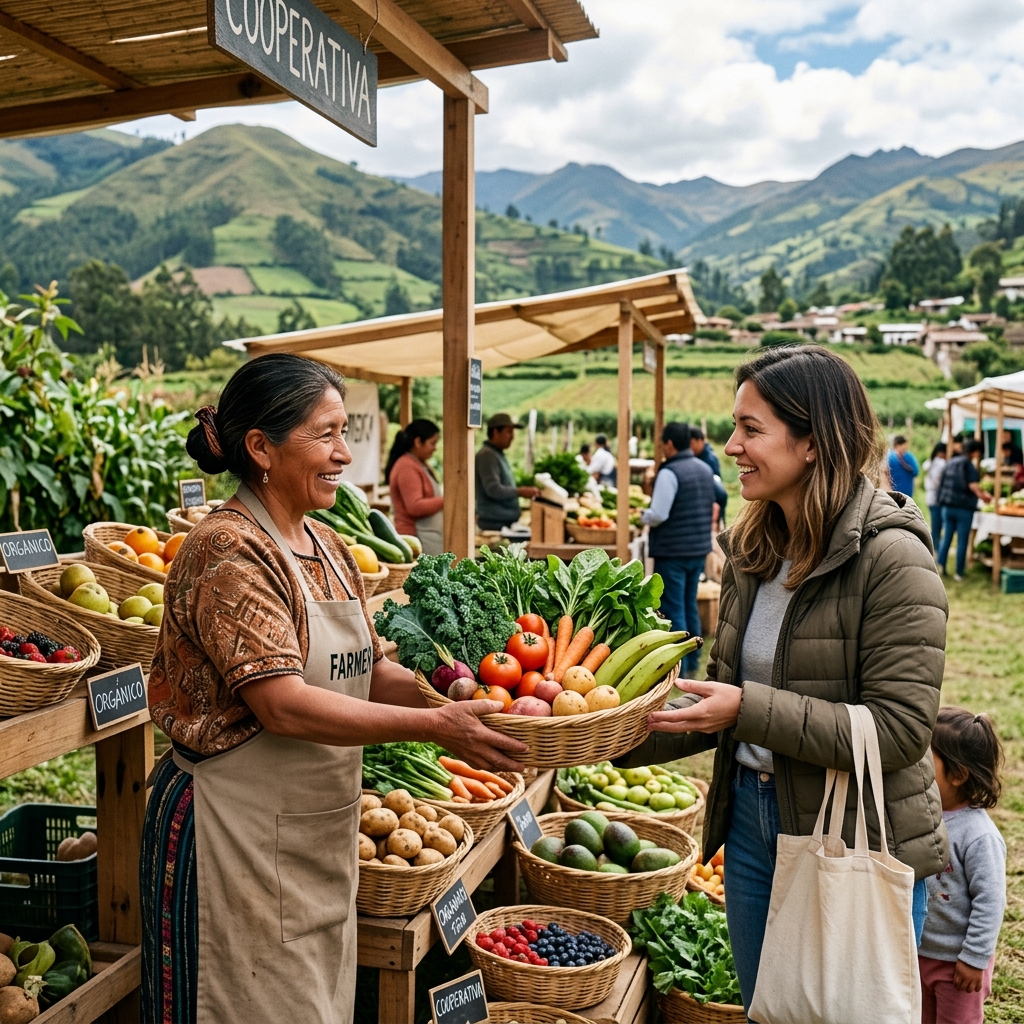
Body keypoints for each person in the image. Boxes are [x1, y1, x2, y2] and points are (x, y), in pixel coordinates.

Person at [141, 355, 526, 1024]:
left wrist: (459, 701)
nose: (345, 454)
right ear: (261, 447)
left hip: (312, 834)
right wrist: (437, 729)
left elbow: (370, 669)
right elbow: (282, 703)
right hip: (233, 835)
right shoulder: (229, 549)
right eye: (326, 435)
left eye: (345, 432)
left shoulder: (329, 545)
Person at [621, 345, 948, 1015]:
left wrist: (747, 710)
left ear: (811, 441)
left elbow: (901, 730)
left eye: (751, 429)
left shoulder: (892, 557)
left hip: (855, 835)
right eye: (733, 427)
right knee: (768, 1008)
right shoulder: (753, 551)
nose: (731, 446)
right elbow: (716, 694)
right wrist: (599, 735)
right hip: (749, 824)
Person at [919, 707, 1006, 1024]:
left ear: (958, 775)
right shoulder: (921, 815)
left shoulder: (979, 837)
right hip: (918, 954)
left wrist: (974, 958)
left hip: (958, 964)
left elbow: (991, 901)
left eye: (926, 763)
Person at [641, 421, 716, 676]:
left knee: (674, 607)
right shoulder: (705, 469)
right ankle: (694, 661)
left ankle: (680, 668)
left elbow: (659, 513)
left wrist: (643, 515)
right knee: (689, 603)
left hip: (673, 550)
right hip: (697, 548)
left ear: (669, 444)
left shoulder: (669, 472)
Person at [385, 419, 444, 555]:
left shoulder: (418, 463)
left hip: (426, 539)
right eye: (433, 443)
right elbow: (414, 506)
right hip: (416, 539)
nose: (436, 448)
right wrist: (447, 500)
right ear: (418, 442)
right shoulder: (406, 466)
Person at [475, 413, 540, 531]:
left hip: (503, 522)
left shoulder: (496, 453)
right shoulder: (487, 455)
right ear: (495, 432)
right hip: (493, 523)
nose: (512, 436)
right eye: (509, 432)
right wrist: (520, 491)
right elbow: (493, 489)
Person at [937, 438, 985, 581]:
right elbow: (973, 486)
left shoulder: (950, 462)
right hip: (963, 508)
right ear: (975, 452)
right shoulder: (968, 465)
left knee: (947, 537)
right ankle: (959, 573)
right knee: (962, 540)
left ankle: (940, 566)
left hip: (947, 506)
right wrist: (983, 496)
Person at [690, 425, 728, 526]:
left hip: (716, 496)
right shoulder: (699, 456)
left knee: (717, 524)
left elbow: (715, 479)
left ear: (699, 441)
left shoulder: (709, 458)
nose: (690, 447)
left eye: (692, 443)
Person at [923, 441, 949, 554]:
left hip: (930, 497)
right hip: (937, 498)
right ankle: (935, 549)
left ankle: (934, 548)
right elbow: (937, 481)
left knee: (935, 524)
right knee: (937, 525)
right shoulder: (940, 463)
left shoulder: (930, 462)